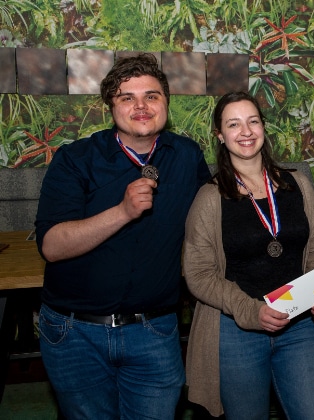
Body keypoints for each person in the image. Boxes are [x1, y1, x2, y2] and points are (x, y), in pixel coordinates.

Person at [35, 53, 211, 419]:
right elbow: (52, 246)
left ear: (166, 103)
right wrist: (122, 212)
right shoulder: (75, 159)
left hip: (154, 329)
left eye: (151, 96)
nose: (141, 106)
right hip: (74, 332)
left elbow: (215, 222)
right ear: (110, 107)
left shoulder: (185, 156)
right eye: (127, 97)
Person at [182, 91, 314, 420]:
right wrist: (252, 311)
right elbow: (198, 273)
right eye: (233, 124)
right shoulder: (209, 198)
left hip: (300, 326)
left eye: (252, 121)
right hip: (237, 333)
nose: (246, 131)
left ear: (263, 127)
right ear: (220, 136)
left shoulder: (298, 185)